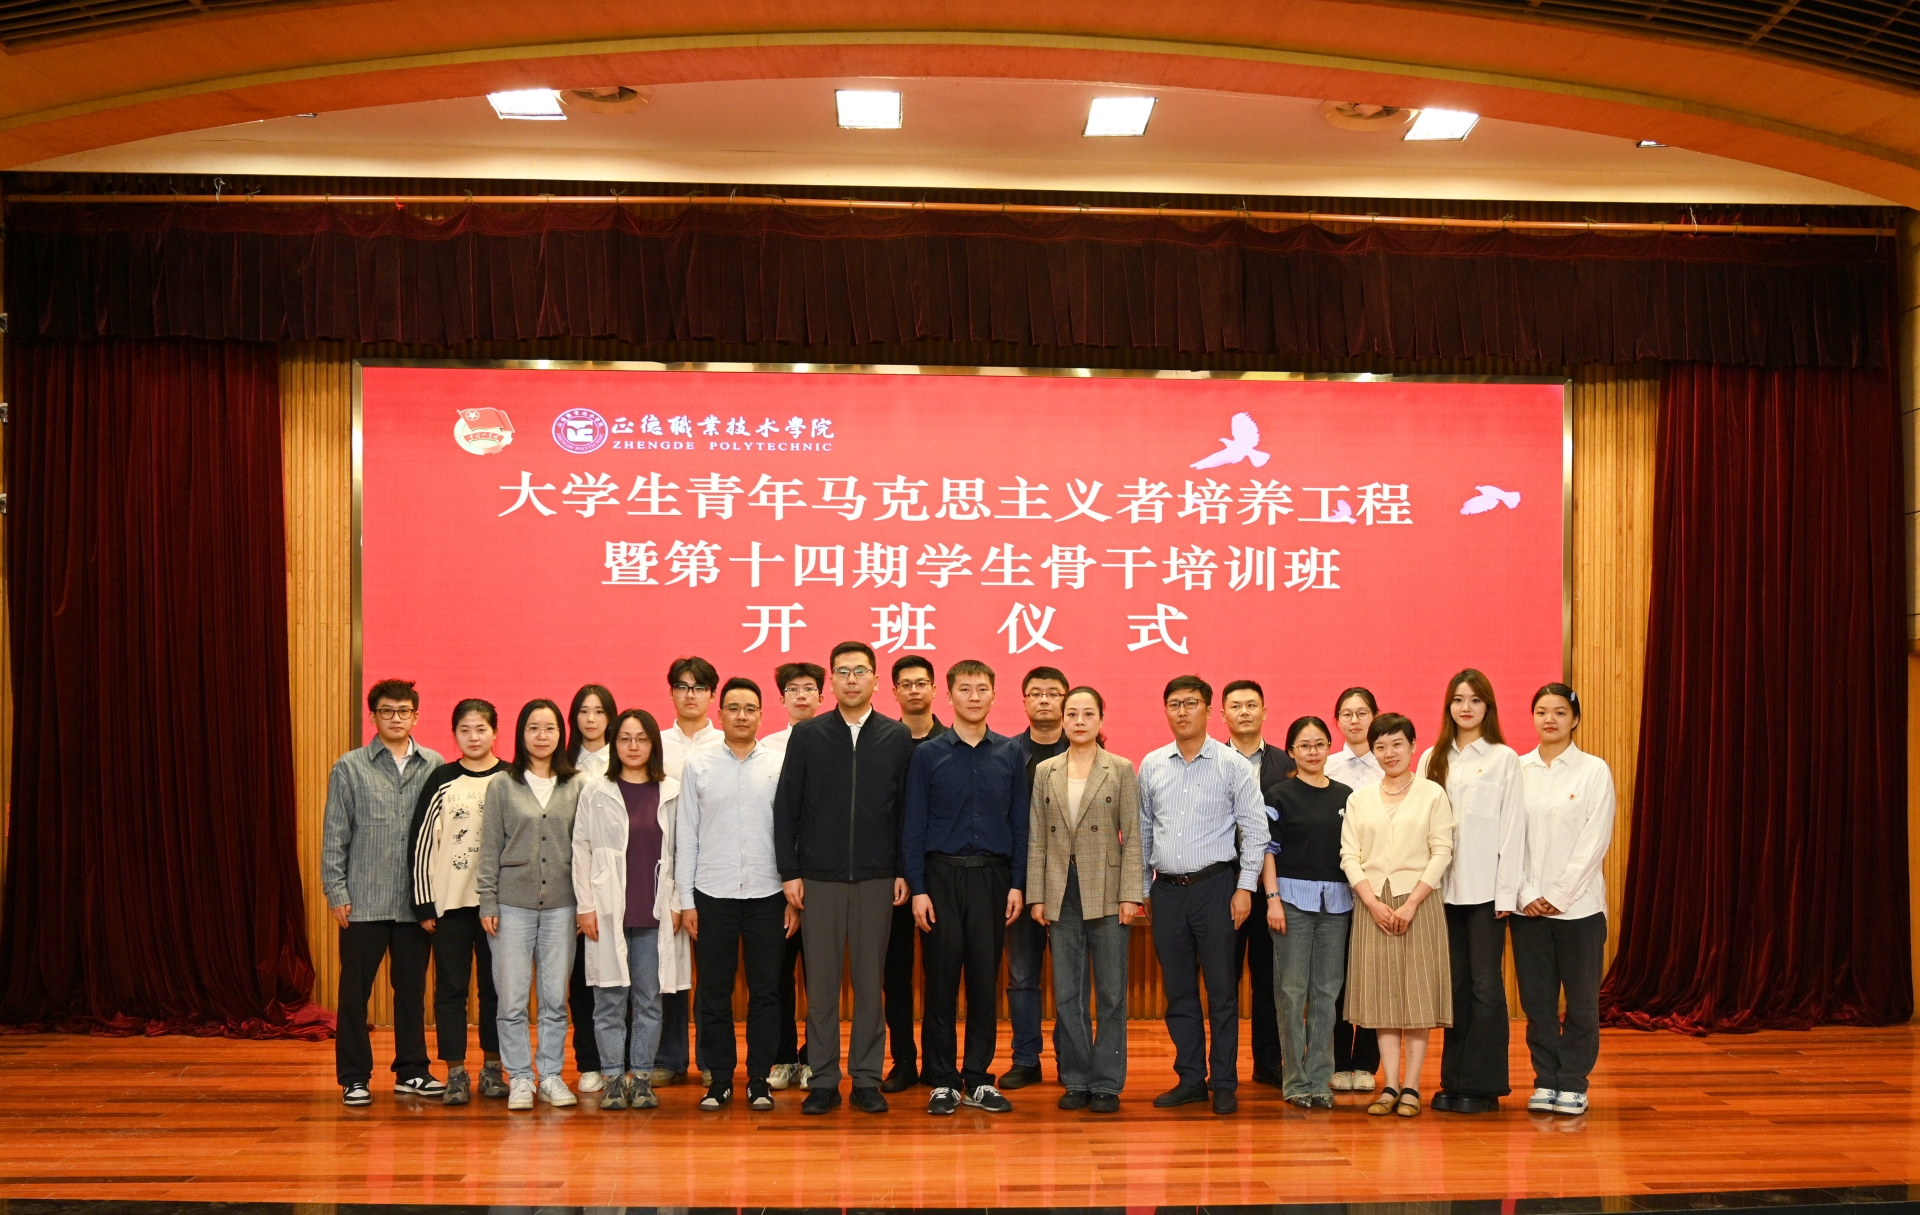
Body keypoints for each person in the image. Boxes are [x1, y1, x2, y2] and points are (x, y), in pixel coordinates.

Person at [773, 640, 915, 1115]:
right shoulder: (808, 735)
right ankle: (824, 1079)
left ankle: (867, 1079)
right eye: (842, 671)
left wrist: (902, 870)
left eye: (860, 671)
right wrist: (790, 873)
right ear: (830, 682)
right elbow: (786, 808)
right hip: (819, 879)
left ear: (875, 679)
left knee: (871, 983)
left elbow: (906, 812)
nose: (851, 679)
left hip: (878, 878)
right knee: (821, 985)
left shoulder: (896, 736)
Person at [1138, 675, 1267, 1115]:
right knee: (1179, 992)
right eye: (1174, 703)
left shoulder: (1232, 765)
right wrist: (1144, 888)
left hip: (1217, 888)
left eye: (1191, 703)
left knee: (1222, 991)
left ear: (1209, 710)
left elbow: (1256, 831)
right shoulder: (1152, 764)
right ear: (1166, 710)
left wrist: (1245, 887)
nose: (1183, 711)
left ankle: (1224, 1081)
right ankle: (1191, 1078)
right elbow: (1142, 831)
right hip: (1167, 891)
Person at [903, 660, 1028, 1115]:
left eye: (982, 689)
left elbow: (1020, 825)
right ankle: (941, 1080)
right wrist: (918, 888)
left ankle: (977, 1078)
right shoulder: (927, 754)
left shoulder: (1011, 754)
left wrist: (1017, 884)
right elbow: (913, 825)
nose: (974, 697)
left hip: (993, 879)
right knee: (939, 983)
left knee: (982, 981)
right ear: (949, 695)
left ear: (994, 695)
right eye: (965, 689)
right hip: (940, 878)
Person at [322, 678, 446, 1107]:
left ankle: (412, 1071)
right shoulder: (350, 766)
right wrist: (336, 891)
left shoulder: (434, 764)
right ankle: (354, 1077)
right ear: (373, 716)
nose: (396, 718)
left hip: (416, 903)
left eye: (403, 711)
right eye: (387, 711)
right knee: (354, 994)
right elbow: (335, 834)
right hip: (363, 901)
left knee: (411, 992)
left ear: (416, 716)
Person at [678, 678, 796, 1111]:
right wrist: (686, 900)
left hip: (769, 893)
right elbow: (686, 835)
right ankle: (720, 1079)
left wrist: (792, 895)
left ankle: (760, 1078)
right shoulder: (699, 765)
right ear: (721, 713)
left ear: (761, 714)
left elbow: (793, 832)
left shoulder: (779, 764)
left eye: (750, 708)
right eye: (733, 708)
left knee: (767, 992)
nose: (742, 716)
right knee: (714, 992)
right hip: (713, 893)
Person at [1026, 686, 1142, 1114]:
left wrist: (1131, 894)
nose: (1079, 721)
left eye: (1087, 713)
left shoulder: (1120, 768)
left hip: (1107, 891)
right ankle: (1076, 1078)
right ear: (1062, 719)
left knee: (1111, 993)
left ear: (1101, 720)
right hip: (1060, 889)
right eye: (1071, 713)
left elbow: (1133, 836)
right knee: (1067, 993)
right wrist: (1037, 895)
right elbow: (1037, 837)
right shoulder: (1047, 770)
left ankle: (1107, 1083)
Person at [572, 708, 692, 1112]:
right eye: (625, 738)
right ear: (614, 744)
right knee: (608, 1001)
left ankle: (640, 1078)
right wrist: (585, 906)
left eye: (641, 739)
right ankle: (612, 1079)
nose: (633, 746)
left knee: (649, 1000)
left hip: (654, 913)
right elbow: (581, 849)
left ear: (653, 745)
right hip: (607, 911)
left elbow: (682, 851)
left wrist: (677, 902)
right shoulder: (596, 790)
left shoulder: (671, 791)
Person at [1417, 669, 1526, 1115]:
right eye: (1459, 700)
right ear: (1448, 706)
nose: (1466, 707)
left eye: (1475, 700)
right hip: (1440, 893)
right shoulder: (1431, 758)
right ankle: (1454, 1081)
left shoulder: (1504, 759)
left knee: (1486, 986)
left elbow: (1513, 830)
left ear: (1488, 707)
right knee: (1455, 987)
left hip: (1486, 894)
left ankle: (1483, 1086)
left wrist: (1507, 893)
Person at [1340, 712, 1454, 1119]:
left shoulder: (1432, 794)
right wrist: (1371, 903)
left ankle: (1412, 1086)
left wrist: (1410, 903)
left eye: (1397, 744)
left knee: (1416, 995)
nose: (1389, 753)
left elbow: (1442, 851)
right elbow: (1349, 855)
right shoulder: (1359, 798)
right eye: (1381, 746)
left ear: (1412, 746)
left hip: (1418, 902)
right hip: (1372, 903)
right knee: (1381, 996)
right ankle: (1389, 1084)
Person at [1512, 683, 1615, 1117]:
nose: (1549, 719)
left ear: (1575, 720)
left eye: (1559, 712)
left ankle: (1572, 1082)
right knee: (1536, 1004)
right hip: (1528, 910)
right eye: (1541, 711)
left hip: (1580, 909)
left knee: (1581, 1003)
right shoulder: (1517, 770)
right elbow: (1508, 839)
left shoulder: (1593, 771)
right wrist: (1526, 892)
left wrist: (1558, 895)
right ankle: (1545, 1080)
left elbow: (1594, 841)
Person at [478, 698, 584, 1111]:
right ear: (521, 734)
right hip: (511, 906)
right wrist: (488, 900)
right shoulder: (502, 785)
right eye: (533, 728)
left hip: (562, 906)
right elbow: (490, 848)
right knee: (511, 999)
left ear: (561, 734)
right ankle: (520, 1077)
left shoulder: (576, 785)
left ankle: (551, 1075)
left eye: (550, 728)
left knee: (556, 998)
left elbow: (584, 848)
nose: (542, 736)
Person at [408, 698, 507, 1105]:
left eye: (481, 729)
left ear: (495, 732)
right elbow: (421, 844)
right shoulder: (442, 779)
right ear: (454, 735)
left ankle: (493, 1069)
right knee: (450, 989)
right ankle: (454, 1073)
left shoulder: (510, 777)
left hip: (499, 907)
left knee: (496, 990)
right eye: (465, 730)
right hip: (450, 905)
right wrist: (424, 904)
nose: (473, 737)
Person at [1259, 715, 1353, 1109]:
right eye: (1304, 745)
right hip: (1292, 903)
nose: (1312, 752)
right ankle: (1295, 1080)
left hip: (1338, 904)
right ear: (1291, 751)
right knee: (1291, 992)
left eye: (1319, 744)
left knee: (1327, 993)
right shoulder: (1278, 794)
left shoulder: (1347, 796)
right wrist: (1273, 899)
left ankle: (1319, 1079)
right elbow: (1267, 851)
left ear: (1329, 747)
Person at [1220, 678, 1294, 1089]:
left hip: (1273, 889)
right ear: (1223, 714)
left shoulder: (1287, 763)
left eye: (1252, 704)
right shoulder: (1210, 760)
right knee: (1223, 981)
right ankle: (1223, 1066)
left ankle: (1268, 1062)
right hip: (1222, 886)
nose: (1244, 711)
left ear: (1265, 711)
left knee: (1270, 980)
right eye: (1236, 705)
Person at [1001, 665, 1069, 1091]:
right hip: (1021, 882)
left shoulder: (1084, 750)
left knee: (1069, 977)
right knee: (1022, 976)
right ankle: (1025, 1059)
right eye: (1036, 693)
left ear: (1066, 700)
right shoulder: (1007, 752)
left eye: (1053, 693)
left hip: (1071, 881)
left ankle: (1070, 1058)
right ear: (1024, 701)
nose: (1044, 700)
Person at [656, 656, 723, 1088]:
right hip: (663, 869)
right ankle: (669, 1056)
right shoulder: (655, 743)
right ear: (671, 693)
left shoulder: (727, 743)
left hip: (714, 870)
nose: (690, 695)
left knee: (712, 971)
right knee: (669, 967)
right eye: (682, 686)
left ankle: (712, 1058)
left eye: (699, 687)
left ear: (712, 695)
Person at [881, 654, 947, 1092]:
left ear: (934, 689)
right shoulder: (885, 741)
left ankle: (939, 1063)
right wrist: (896, 869)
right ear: (894, 691)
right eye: (905, 684)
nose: (914, 690)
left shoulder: (952, 741)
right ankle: (903, 1060)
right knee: (896, 974)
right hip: (893, 879)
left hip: (940, 876)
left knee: (941, 973)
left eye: (921, 683)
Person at [762, 661, 824, 1092]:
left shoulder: (835, 743)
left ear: (822, 696)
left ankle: (815, 1057)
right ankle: (783, 1056)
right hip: (776, 881)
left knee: (820, 975)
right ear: (781, 698)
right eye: (793, 689)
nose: (801, 696)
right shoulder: (766, 749)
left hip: (822, 881)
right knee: (777, 975)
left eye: (809, 689)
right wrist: (786, 877)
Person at [1323, 686, 1384, 1092]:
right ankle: (1338, 1059)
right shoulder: (1326, 766)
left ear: (1374, 716)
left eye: (1362, 712)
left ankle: (1366, 1062)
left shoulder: (1390, 764)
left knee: (1373, 975)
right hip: (1335, 887)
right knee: (1336, 978)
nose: (1355, 720)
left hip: (1379, 889)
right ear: (1338, 721)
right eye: (1347, 713)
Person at [565, 683, 618, 1094]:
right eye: (584, 711)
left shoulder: (625, 759)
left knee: (620, 978)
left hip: (619, 887)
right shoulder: (562, 765)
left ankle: (622, 1060)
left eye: (599, 711)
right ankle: (589, 1062)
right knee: (582, 979)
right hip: (572, 887)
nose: (591, 719)